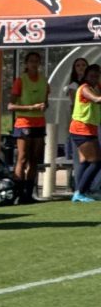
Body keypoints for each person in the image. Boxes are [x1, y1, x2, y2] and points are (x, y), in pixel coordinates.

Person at [7, 51, 48, 205]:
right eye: (31, 61)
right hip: (24, 123)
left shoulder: (44, 81)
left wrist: (44, 106)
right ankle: (17, 193)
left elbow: (46, 102)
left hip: (39, 123)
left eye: (37, 61)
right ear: (26, 63)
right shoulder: (20, 80)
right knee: (22, 158)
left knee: (34, 159)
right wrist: (32, 107)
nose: (34, 64)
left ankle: (28, 194)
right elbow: (10, 106)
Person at [68, 63, 101, 203]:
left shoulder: (95, 87)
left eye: (97, 76)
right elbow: (96, 99)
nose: (94, 78)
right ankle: (80, 192)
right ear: (86, 76)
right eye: (92, 75)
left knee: (85, 162)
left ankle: (81, 191)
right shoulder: (84, 88)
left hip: (89, 128)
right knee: (97, 162)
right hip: (81, 129)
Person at [63, 56, 89, 190]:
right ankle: (79, 186)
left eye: (83, 65)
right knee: (80, 157)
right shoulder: (74, 86)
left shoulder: (93, 83)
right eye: (78, 65)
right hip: (79, 123)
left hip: (92, 122)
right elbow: (74, 105)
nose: (81, 68)